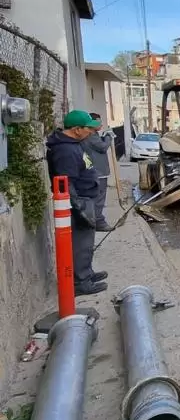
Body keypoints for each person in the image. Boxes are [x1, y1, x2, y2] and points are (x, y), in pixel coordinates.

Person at [46, 110, 107, 296]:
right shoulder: (65, 150)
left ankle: (85, 273)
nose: (91, 131)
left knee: (86, 242)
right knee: (80, 243)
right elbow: (66, 181)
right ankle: (80, 282)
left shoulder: (74, 143)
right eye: (88, 128)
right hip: (78, 200)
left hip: (85, 197)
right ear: (77, 129)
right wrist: (79, 207)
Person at [82, 113, 114, 231]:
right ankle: (98, 222)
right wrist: (108, 137)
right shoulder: (91, 135)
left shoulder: (93, 135)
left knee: (95, 198)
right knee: (99, 198)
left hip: (95, 171)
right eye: (98, 122)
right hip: (98, 172)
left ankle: (94, 220)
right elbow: (102, 147)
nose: (101, 124)